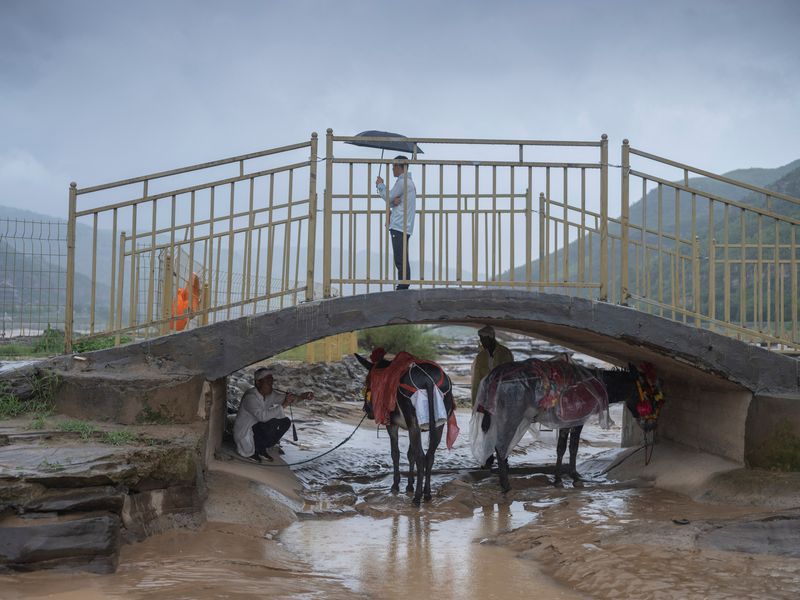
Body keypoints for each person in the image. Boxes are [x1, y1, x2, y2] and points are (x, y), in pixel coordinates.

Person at [233, 367, 313, 462]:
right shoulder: (250, 397)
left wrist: (302, 396)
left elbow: (285, 398)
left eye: (271, 383)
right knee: (271, 424)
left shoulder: (270, 394)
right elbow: (262, 417)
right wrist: (284, 404)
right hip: (246, 429)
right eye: (268, 383)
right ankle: (255, 449)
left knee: (285, 422)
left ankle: (261, 447)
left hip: (257, 426)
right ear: (258, 383)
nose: (271, 386)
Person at [376, 155, 416, 290]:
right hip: (405, 224)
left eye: (393, 166)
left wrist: (380, 185)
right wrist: (393, 201)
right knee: (402, 256)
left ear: (399, 167)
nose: (392, 169)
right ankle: (404, 283)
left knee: (400, 258)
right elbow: (394, 200)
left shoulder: (402, 182)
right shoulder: (408, 182)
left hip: (399, 224)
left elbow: (388, 197)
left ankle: (403, 286)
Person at [470, 325, 514, 409]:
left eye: (483, 339)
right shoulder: (480, 357)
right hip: (486, 397)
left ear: (491, 338)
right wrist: (475, 403)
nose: (482, 342)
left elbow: (511, 376)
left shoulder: (505, 353)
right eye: (481, 339)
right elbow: (476, 381)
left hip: (502, 395)